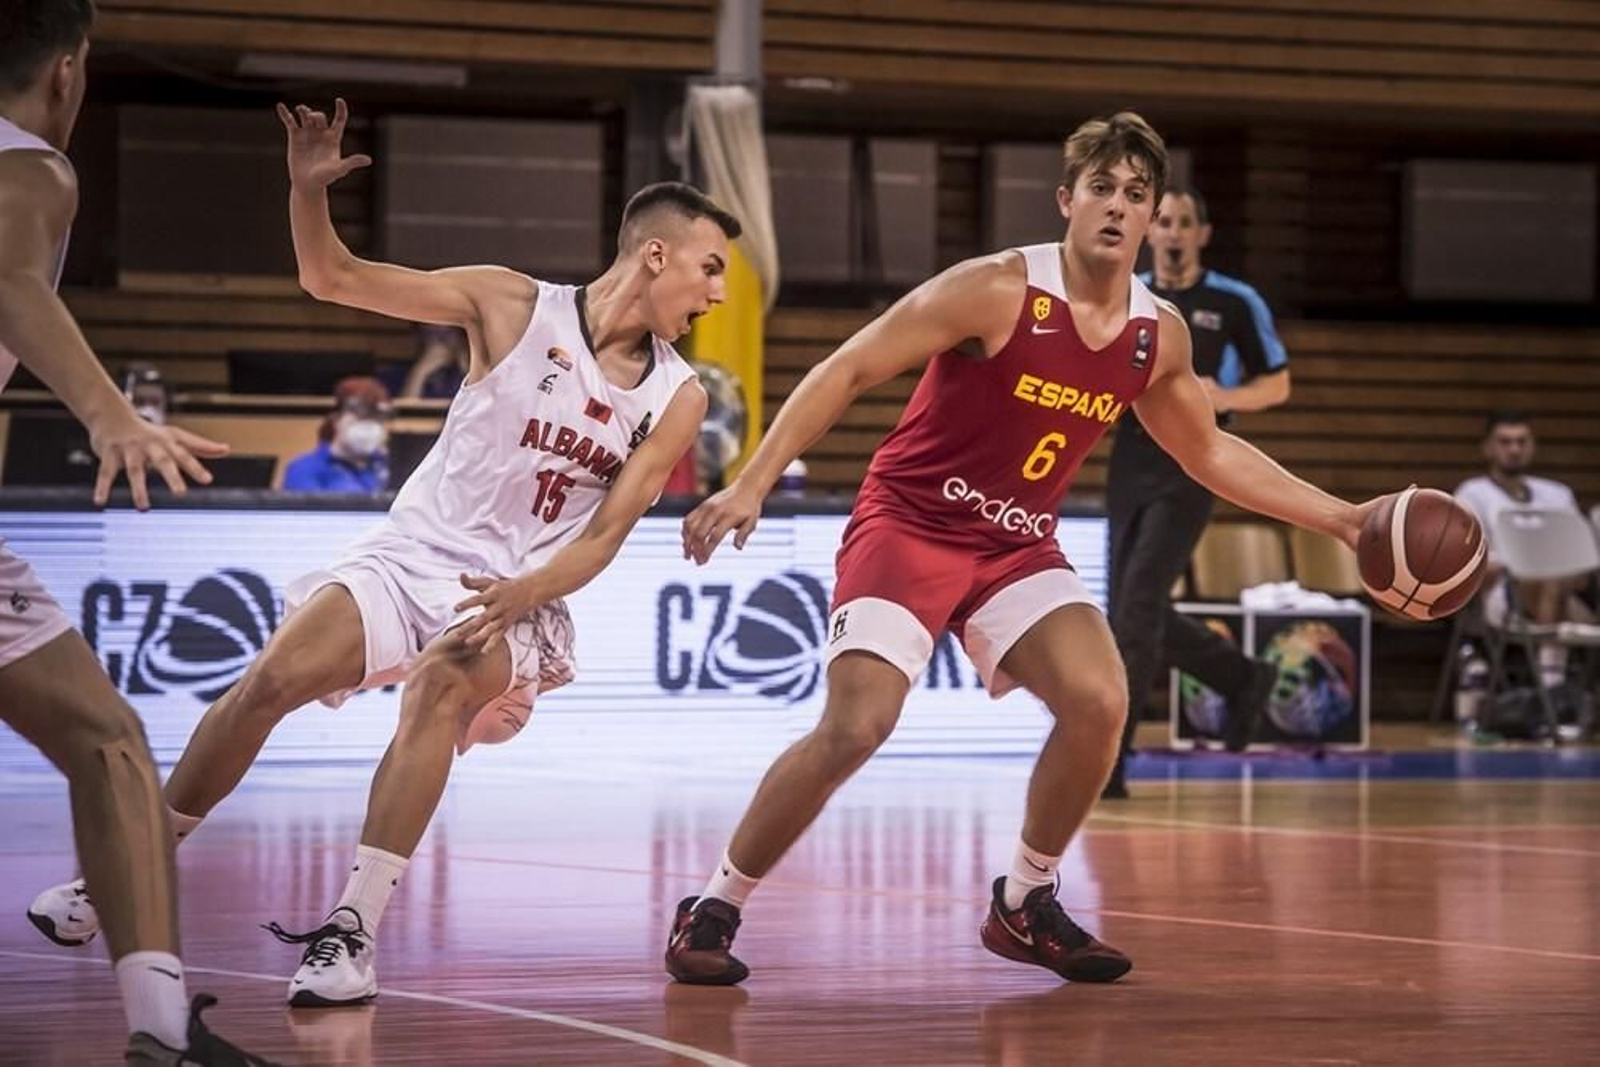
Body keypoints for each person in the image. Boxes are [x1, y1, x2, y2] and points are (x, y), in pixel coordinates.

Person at [31, 96, 735, 1010]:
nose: (718, 293)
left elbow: (603, 539)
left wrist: (523, 591)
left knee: (439, 679)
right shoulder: (511, 303)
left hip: (517, 590)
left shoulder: (678, 396)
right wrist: (306, 192)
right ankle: (115, 881)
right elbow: (332, 278)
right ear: (656, 253)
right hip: (410, 555)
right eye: (711, 268)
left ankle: (351, 933)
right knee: (267, 681)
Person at [667, 112, 1377, 987]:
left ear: (1153, 214)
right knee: (857, 725)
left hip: (1015, 545)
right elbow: (847, 366)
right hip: (911, 523)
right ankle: (714, 903)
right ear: (1067, 200)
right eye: (1102, 188)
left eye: (1136, 194)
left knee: (1100, 698)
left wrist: (1344, 519)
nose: (1118, 206)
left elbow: (1211, 453)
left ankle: (1024, 899)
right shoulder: (997, 288)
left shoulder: (1158, 335)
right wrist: (751, 481)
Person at [0, 2, 271, 1062]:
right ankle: (159, 1033)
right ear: (68, 72)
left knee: (102, 735)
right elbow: (9, 279)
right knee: (108, 743)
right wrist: (110, 411)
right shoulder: (31, 164)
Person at [1103, 185, 1293, 797]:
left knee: (1136, 611)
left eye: (1185, 222)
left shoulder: (1233, 301)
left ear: (1203, 234)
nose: (1174, 233)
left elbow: (1277, 384)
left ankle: (1110, 760)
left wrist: (1224, 395)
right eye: (1163, 222)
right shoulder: (1128, 292)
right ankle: (1241, 676)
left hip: (1191, 460)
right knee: (1130, 608)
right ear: (1149, 232)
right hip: (1129, 458)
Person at [1455, 411, 1594, 689]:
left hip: (1568, 592)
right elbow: (1467, 566)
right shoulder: (1471, 495)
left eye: (1521, 441)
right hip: (1502, 596)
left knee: (1562, 577)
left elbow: (1582, 561)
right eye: (1505, 442)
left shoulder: (1558, 494)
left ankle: (1559, 687)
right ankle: (1553, 687)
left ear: (1532, 446)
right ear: (1488, 448)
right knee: (1549, 576)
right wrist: (1521, 565)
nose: (1514, 449)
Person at [281, 374, 392, 493]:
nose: (369, 426)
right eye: (361, 416)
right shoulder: (304, 469)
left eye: (376, 419)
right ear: (336, 419)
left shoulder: (386, 467)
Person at [380, 322, 468, 400]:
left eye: (448, 335)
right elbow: (405, 410)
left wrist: (467, 367)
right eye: (433, 334)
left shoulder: (461, 371)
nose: (441, 345)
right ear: (418, 336)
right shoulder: (396, 376)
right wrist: (419, 374)